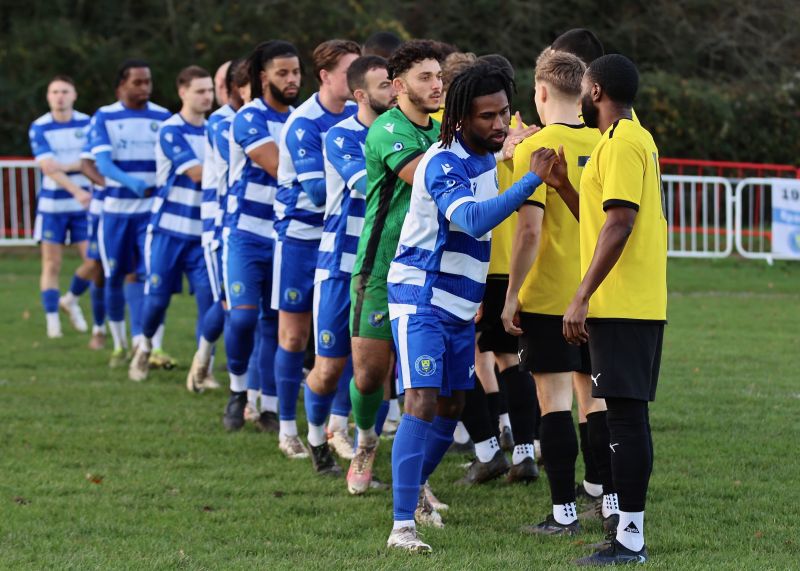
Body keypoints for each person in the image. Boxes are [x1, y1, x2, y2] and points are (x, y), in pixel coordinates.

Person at [384, 61, 557, 553]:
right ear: (461, 119)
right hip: (421, 296)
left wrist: (511, 148)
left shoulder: (483, 155)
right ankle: (402, 527)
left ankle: (413, 487)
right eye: (487, 116)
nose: (499, 123)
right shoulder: (443, 164)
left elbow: (496, 159)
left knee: (454, 405)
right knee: (421, 401)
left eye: (504, 112)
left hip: (460, 303)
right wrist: (530, 179)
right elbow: (476, 220)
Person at [547, 54, 666, 565]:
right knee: (622, 415)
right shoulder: (625, 141)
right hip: (628, 302)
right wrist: (564, 187)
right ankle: (627, 535)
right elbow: (600, 220)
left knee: (625, 418)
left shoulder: (620, 143)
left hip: (622, 304)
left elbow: (619, 224)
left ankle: (631, 540)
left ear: (595, 91)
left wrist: (581, 295)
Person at [501, 48, 610, 535]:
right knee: (597, 401)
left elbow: (528, 233)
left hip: (549, 296)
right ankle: (608, 502)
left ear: (541, 92)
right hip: (600, 292)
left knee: (554, 401)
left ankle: (564, 512)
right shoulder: (608, 140)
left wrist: (511, 295)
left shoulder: (536, 147)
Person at [348, 39, 442, 496]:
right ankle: (365, 440)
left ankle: (415, 482)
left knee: (420, 382)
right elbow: (426, 174)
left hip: (429, 273)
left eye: (440, 76)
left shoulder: (445, 128)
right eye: (426, 77)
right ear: (399, 86)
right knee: (369, 375)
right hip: (381, 269)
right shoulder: (387, 129)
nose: (437, 84)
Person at [302, 54, 398, 477]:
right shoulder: (340, 136)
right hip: (340, 266)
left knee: (376, 371)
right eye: (383, 87)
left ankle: (364, 453)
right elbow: (367, 185)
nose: (393, 93)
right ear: (360, 95)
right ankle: (314, 437)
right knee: (327, 369)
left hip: (384, 268)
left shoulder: (406, 132)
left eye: (395, 84)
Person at [273, 39, 360, 458]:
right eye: (349, 71)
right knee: (293, 338)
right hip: (300, 241)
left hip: (340, 242)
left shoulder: (358, 116)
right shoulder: (304, 123)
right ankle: (287, 428)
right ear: (325, 77)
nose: (359, 79)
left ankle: (337, 428)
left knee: (345, 340)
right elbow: (316, 192)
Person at [218, 41, 302, 433]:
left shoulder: (301, 118)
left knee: (274, 324)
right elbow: (278, 166)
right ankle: (238, 389)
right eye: (283, 73)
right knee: (243, 317)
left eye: (296, 72)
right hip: (246, 234)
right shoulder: (247, 117)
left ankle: (268, 406)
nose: (291, 80)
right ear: (263, 76)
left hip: (286, 236)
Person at [128, 66, 215, 382]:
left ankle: (202, 364)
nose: (207, 97)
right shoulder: (170, 130)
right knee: (157, 300)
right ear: (183, 92)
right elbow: (197, 173)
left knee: (209, 301)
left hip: (204, 235)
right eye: (200, 91)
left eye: (209, 91)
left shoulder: (214, 130)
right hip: (168, 232)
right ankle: (145, 345)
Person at [89, 60, 171, 367]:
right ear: (122, 85)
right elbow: (103, 164)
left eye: (148, 82)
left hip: (150, 213)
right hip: (115, 212)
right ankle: (120, 344)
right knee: (114, 277)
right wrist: (129, 181)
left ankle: (151, 345)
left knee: (151, 277)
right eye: (138, 82)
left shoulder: (163, 117)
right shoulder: (105, 117)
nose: (145, 88)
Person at [185, 60, 247, 395]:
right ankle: (204, 356)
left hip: (264, 226)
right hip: (223, 225)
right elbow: (257, 159)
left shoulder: (283, 114)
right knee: (227, 301)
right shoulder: (222, 122)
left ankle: (257, 388)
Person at [28, 76, 95, 339]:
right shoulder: (40, 126)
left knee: (93, 260)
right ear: (48, 96)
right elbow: (48, 168)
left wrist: (66, 166)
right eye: (54, 91)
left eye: (64, 91)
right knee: (51, 263)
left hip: (83, 206)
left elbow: (90, 162)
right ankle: (52, 320)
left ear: (74, 94)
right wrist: (76, 186)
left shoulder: (88, 123)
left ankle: (71, 299)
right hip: (53, 206)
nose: (59, 96)